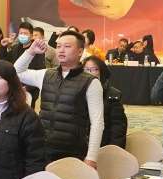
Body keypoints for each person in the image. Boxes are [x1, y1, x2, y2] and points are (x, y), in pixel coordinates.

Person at [17, 30, 104, 167]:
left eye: (67, 46)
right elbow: (16, 72)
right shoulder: (46, 74)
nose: (61, 50)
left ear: (80, 51)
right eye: (58, 46)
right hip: (42, 148)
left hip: (72, 151)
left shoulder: (91, 82)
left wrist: (91, 158)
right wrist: (31, 52)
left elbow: (97, 122)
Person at [82, 55, 127, 149]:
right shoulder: (77, 92)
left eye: (95, 69)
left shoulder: (112, 95)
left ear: (101, 72)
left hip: (103, 145)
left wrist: (113, 150)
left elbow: (118, 128)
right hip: (80, 146)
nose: (91, 73)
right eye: (87, 69)